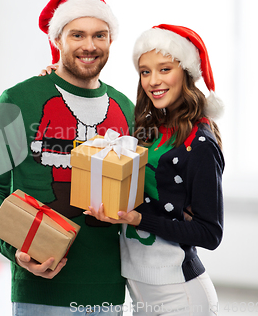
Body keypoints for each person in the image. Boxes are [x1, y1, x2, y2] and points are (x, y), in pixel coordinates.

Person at [0, 0, 135, 315]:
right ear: (57, 40)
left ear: (110, 41)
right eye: (77, 34)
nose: (89, 46)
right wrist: (16, 247)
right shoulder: (17, 101)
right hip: (40, 290)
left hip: (109, 289)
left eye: (99, 35)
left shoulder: (126, 108)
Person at [82, 24, 225, 315]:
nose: (153, 80)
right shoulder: (147, 131)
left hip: (180, 295)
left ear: (185, 73)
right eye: (145, 71)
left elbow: (211, 233)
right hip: (140, 291)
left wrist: (138, 219)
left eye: (164, 69)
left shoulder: (200, 143)